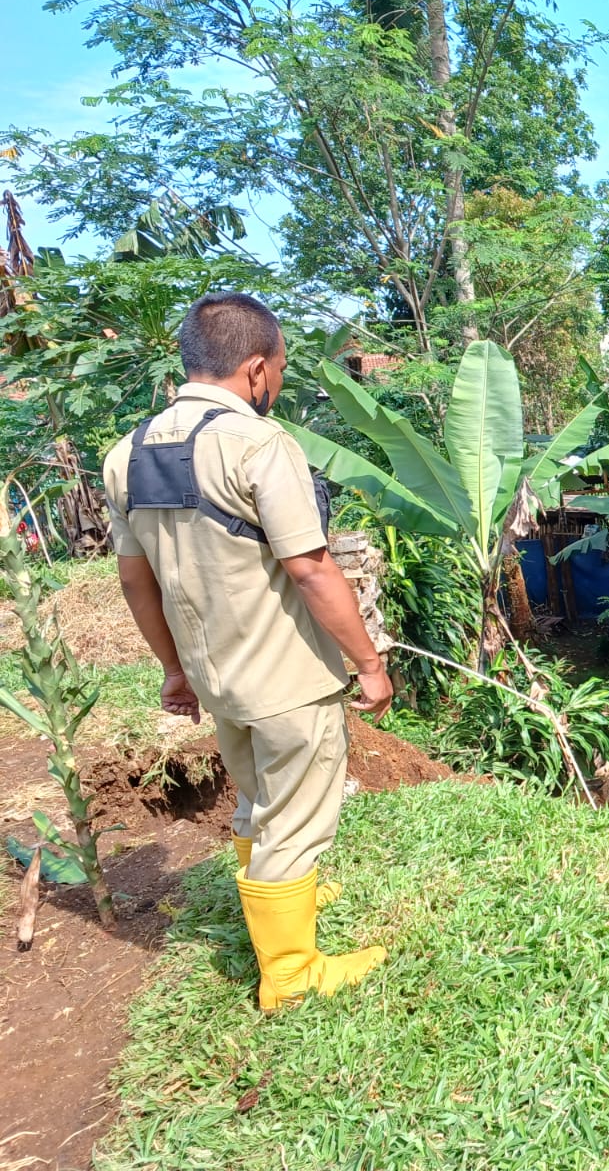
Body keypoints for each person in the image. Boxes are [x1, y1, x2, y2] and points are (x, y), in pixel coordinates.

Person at [102, 291, 392, 1012]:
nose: (280, 383)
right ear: (257, 369)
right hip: (286, 676)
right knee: (293, 817)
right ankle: (290, 974)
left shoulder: (127, 455)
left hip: (218, 678)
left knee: (259, 805)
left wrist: (174, 668)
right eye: (283, 369)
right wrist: (371, 663)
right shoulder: (258, 445)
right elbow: (312, 568)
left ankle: (277, 910)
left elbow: (136, 581)